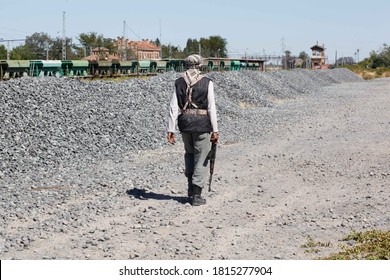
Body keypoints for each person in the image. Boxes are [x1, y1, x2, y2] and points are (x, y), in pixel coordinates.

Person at [167, 54, 219, 206]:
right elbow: (211, 108)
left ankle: (190, 187)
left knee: (189, 155)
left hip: (185, 124)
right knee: (201, 158)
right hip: (202, 125)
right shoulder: (207, 82)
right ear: (200, 65)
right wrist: (215, 130)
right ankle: (196, 194)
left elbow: (173, 107)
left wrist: (171, 129)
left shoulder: (178, 82)